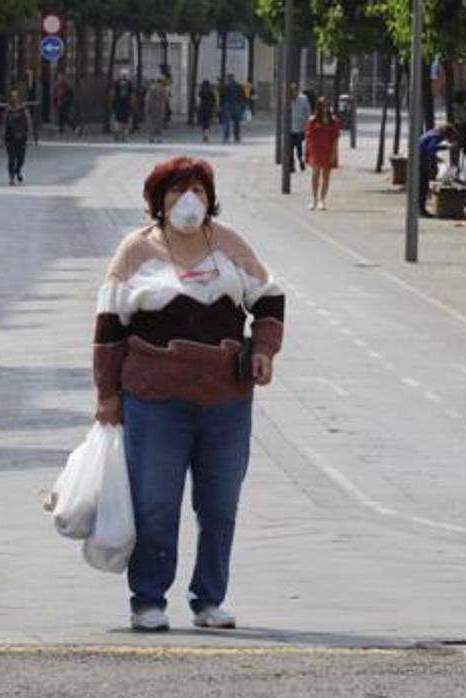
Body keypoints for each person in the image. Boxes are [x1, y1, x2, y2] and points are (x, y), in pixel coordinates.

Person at [93, 156, 285, 633]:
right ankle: (148, 598)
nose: (188, 201)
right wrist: (107, 395)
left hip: (226, 400)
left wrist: (264, 348)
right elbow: (108, 328)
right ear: (158, 201)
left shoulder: (229, 244)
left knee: (220, 503)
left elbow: (269, 297)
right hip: (154, 399)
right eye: (177, 192)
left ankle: (209, 599)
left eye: (197, 191)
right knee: (156, 501)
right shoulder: (134, 252)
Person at [304, 97, 340, 211]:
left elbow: (335, 138)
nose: (324, 108)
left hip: (328, 150)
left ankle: (322, 200)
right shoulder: (312, 120)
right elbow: (308, 137)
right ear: (318, 106)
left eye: (326, 105)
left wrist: (334, 152)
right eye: (322, 105)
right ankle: (314, 199)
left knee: (326, 175)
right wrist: (308, 152)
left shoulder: (333, 121)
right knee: (315, 174)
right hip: (316, 151)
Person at [417, 124, 456, 217]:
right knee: (423, 187)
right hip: (421, 162)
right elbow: (430, 148)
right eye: (448, 137)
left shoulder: (431, 133)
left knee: (421, 186)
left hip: (418, 160)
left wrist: (437, 158)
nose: (446, 140)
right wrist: (446, 147)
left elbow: (426, 148)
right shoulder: (437, 136)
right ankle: (421, 211)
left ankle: (419, 209)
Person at [0, 90, 33, 185]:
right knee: (11, 158)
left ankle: (18, 170)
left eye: (16, 97)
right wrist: (1, 138)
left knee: (21, 159)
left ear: (18, 98)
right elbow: (3, 124)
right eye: (12, 97)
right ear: (10, 99)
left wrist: (30, 135)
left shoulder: (23, 110)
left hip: (21, 137)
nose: (14, 99)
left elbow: (29, 121)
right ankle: (11, 177)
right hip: (10, 138)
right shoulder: (7, 111)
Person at [288, 82, 311, 172]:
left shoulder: (303, 99)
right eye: (291, 91)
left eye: (294, 91)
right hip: (289, 128)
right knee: (289, 148)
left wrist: (307, 124)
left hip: (300, 128)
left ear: (297, 91)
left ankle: (300, 161)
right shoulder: (287, 100)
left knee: (299, 146)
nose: (292, 93)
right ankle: (291, 165)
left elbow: (308, 112)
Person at [221, 74, 244, 143]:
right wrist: (241, 103)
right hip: (236, 105)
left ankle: (226, 137)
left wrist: (222, 105)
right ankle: (236, 136)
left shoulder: (226, 86)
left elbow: (222, 96)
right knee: (236, 122)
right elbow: (242, 95)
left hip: (228, 105)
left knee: (227, 122)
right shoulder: (238, 86)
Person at [111, 69, 134, 142]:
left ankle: (117, 135)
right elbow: (132, 95)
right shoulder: (129, 83)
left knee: (118, 120)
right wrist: (132, 104)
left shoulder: (116, 83)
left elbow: (113, 94)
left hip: (118, 104)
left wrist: (113, 103)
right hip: (126, 104)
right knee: (126, 121)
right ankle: (124, 136)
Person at [145, 78, 169, 143]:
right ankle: (158, 138)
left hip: (152, 108)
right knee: (159, 123)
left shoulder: (151, 88)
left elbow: (147, 99)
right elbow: (166, 98)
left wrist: (147, 108)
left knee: (152, 123)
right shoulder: (163, 89)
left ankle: (151, 137)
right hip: (160, 108)